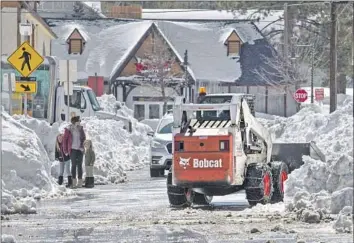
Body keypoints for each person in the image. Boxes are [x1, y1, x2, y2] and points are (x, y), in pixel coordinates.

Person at [63, 116, 86, 188]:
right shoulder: (69, 129)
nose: (79, 122)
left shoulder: (81, 129)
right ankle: (73, 182)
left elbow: (84, 138)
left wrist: (83, 146)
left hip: (80, 149)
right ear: (74, 121)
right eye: (78, 121)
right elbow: (65, 140)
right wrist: (65, 150)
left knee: (79, 165)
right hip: (72, 149)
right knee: (73, 165)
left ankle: (80, 182)